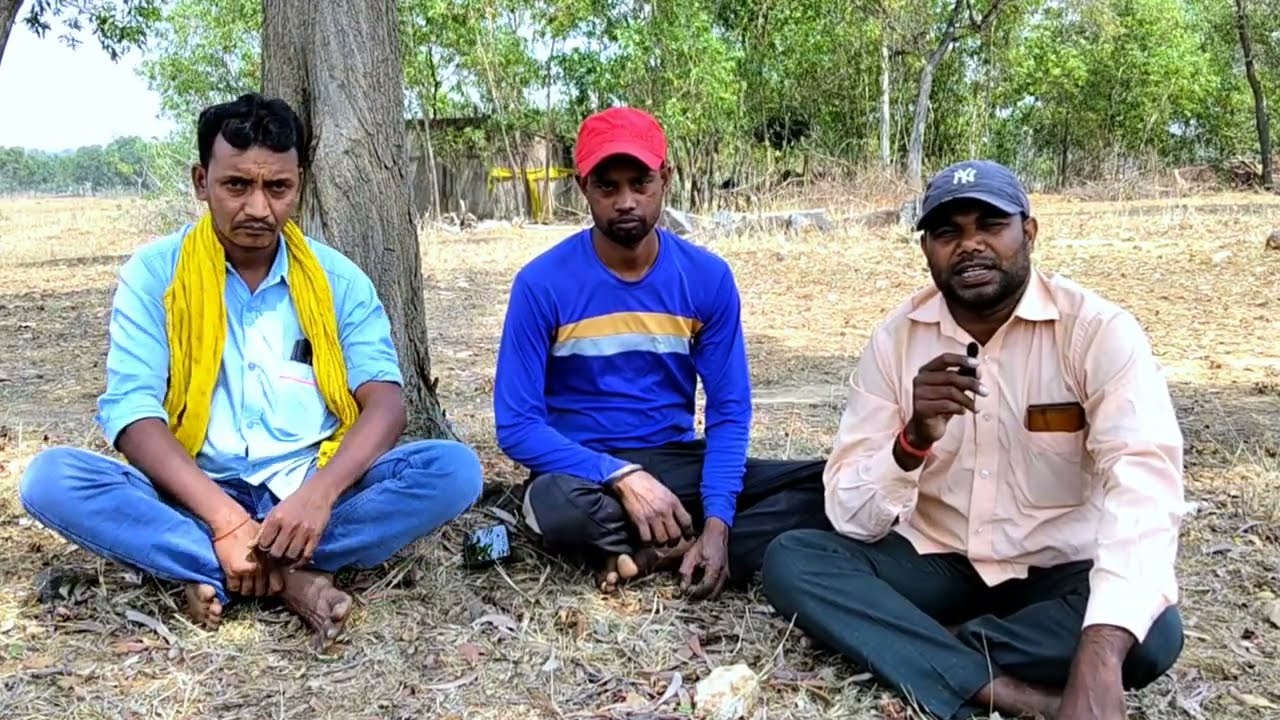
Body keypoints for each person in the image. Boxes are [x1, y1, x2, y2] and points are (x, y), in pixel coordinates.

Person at [18, 93, 483, 650]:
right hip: (192, 490)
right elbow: (133, 413)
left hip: (310, 492)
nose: (259, 208)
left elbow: (385, 404)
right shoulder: (153, 276)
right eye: (237, 185)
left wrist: (320, 495)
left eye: (277, 188)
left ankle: (211, 568)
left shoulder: (339, 280)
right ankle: (287, 578)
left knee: (452, 469)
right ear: (200, 181)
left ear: (299, 184)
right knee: (51, 480)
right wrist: (224, 519)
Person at [761, 160, 1186, 720]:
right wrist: (911, 441)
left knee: (1152, 633)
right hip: (936, 561)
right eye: (948, 232)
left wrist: (1101, 654)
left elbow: (1145, 485)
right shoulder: (895, 342)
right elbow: (849, 515)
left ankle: (916, 643)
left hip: (1053, 572)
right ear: (926, 249)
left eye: (990, 225)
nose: (970, 245)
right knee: (794, 559)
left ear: (1028, 233)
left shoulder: (1096, 332)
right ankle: (1002, 689)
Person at [493, 106, 829, 598]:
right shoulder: (541, 284)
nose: (626, 201)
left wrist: (717, 521)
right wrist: (621, 476)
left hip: (676, 462)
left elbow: (729, 411)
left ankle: (683, 547)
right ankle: (672, 534)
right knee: (554, 506)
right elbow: (517, 426)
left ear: (665, 178)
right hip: (582, 470)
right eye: (608, 187)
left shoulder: (706, 278)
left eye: (640, 182)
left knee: (829, 486)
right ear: (583, 186)